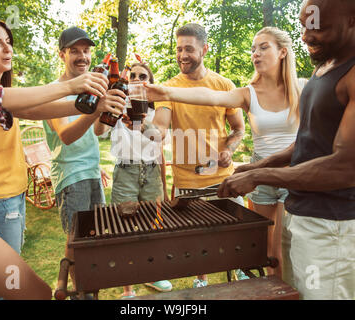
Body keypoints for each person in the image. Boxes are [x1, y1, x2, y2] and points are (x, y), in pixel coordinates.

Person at [215, 0, 355, 299]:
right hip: (302, 214)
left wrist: (260, 177)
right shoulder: (326, 63)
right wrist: (257, 166)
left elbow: (344, 168)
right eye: (304, 26)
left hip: (333, 225)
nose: (307, 36)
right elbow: (308, 142)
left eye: (319, 27)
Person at [0, 17, 121, 300]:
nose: (8, 49)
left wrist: (98, 104)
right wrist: (75, 88)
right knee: (6, 290)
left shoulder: (4, 95)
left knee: (3, 288)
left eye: (9, 42)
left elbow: (39, 110)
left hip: (10, 197)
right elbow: (50, 113)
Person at [145, 27, 306, 279]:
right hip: (249, 176)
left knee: (279, 245)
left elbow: (235, 124)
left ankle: (275, 288)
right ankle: (248, 287)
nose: (256, 53)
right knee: (259, 248)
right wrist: (156, 105)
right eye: (254, 49)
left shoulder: (301, 89)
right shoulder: (246, 93)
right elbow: (207, 99)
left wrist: (228, 150)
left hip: (275, 175)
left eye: (263, 47)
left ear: (283, 52)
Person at [0, 73, 107, 300]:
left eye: (8, 41)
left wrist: (90, 106)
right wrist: (70, 88)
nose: (7, 49)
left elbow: (27, 110)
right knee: (36, 293)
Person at [136, 23, 248, 288]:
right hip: (188, 182)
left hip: (223, 179)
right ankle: (201, 283)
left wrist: (228, 150)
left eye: (188, 48)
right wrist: (144, 126)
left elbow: (239, 129)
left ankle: (243, 276)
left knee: (238, 238)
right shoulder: (168, 88)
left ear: (204, 49)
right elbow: (161, 127)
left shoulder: (224, 85)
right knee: (198, 244)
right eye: (178, 49)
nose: (182, 55)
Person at [43, 26, 126, 299]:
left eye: (86, 51)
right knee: (78, 244)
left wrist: (110, 110)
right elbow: (66, 136)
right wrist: (96, 110)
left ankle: (90, 293)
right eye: (75, 51)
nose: (82, 56)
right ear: (62, 54)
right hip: (71, 176)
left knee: (95, 241)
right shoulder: (54, 90)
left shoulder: (92, 85)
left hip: (90, 172)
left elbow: (98, 133)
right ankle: (80, 295)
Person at [110, 62, 172, 298]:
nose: (136, 78)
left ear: (150, 80)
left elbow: (159, 142)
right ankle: (128, 288)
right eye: (132, 75)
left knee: (153, 227)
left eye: (142, 75)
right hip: (126, 171)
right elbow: (98, 130)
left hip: (152, 171)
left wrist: (164, 186)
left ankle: (153, 274)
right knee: (125, 228)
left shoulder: (157, 111)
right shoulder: (117, 104)